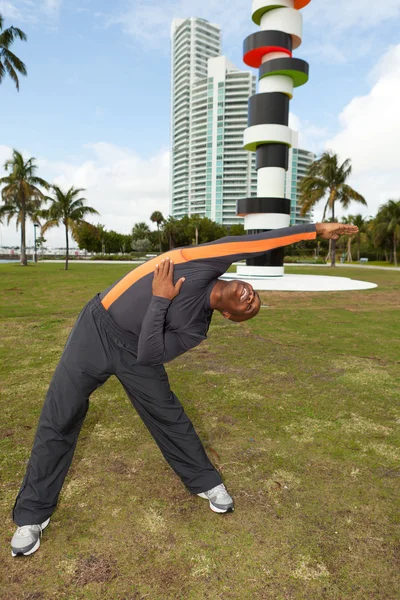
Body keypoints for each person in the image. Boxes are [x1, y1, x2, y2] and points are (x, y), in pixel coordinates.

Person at [10, 221, 357, 556]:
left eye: (250, 308)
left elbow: (149, 353)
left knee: (169, 417)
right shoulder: (205, 262)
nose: (251, 298)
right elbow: (254, 242)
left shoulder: (195, 331)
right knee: (60, 416)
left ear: (230, 317)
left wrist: (160, 299)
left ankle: (206, 482)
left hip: (137, 356)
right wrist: (312, 231)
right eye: (254, 295)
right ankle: (31, 517)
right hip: (96, 329)